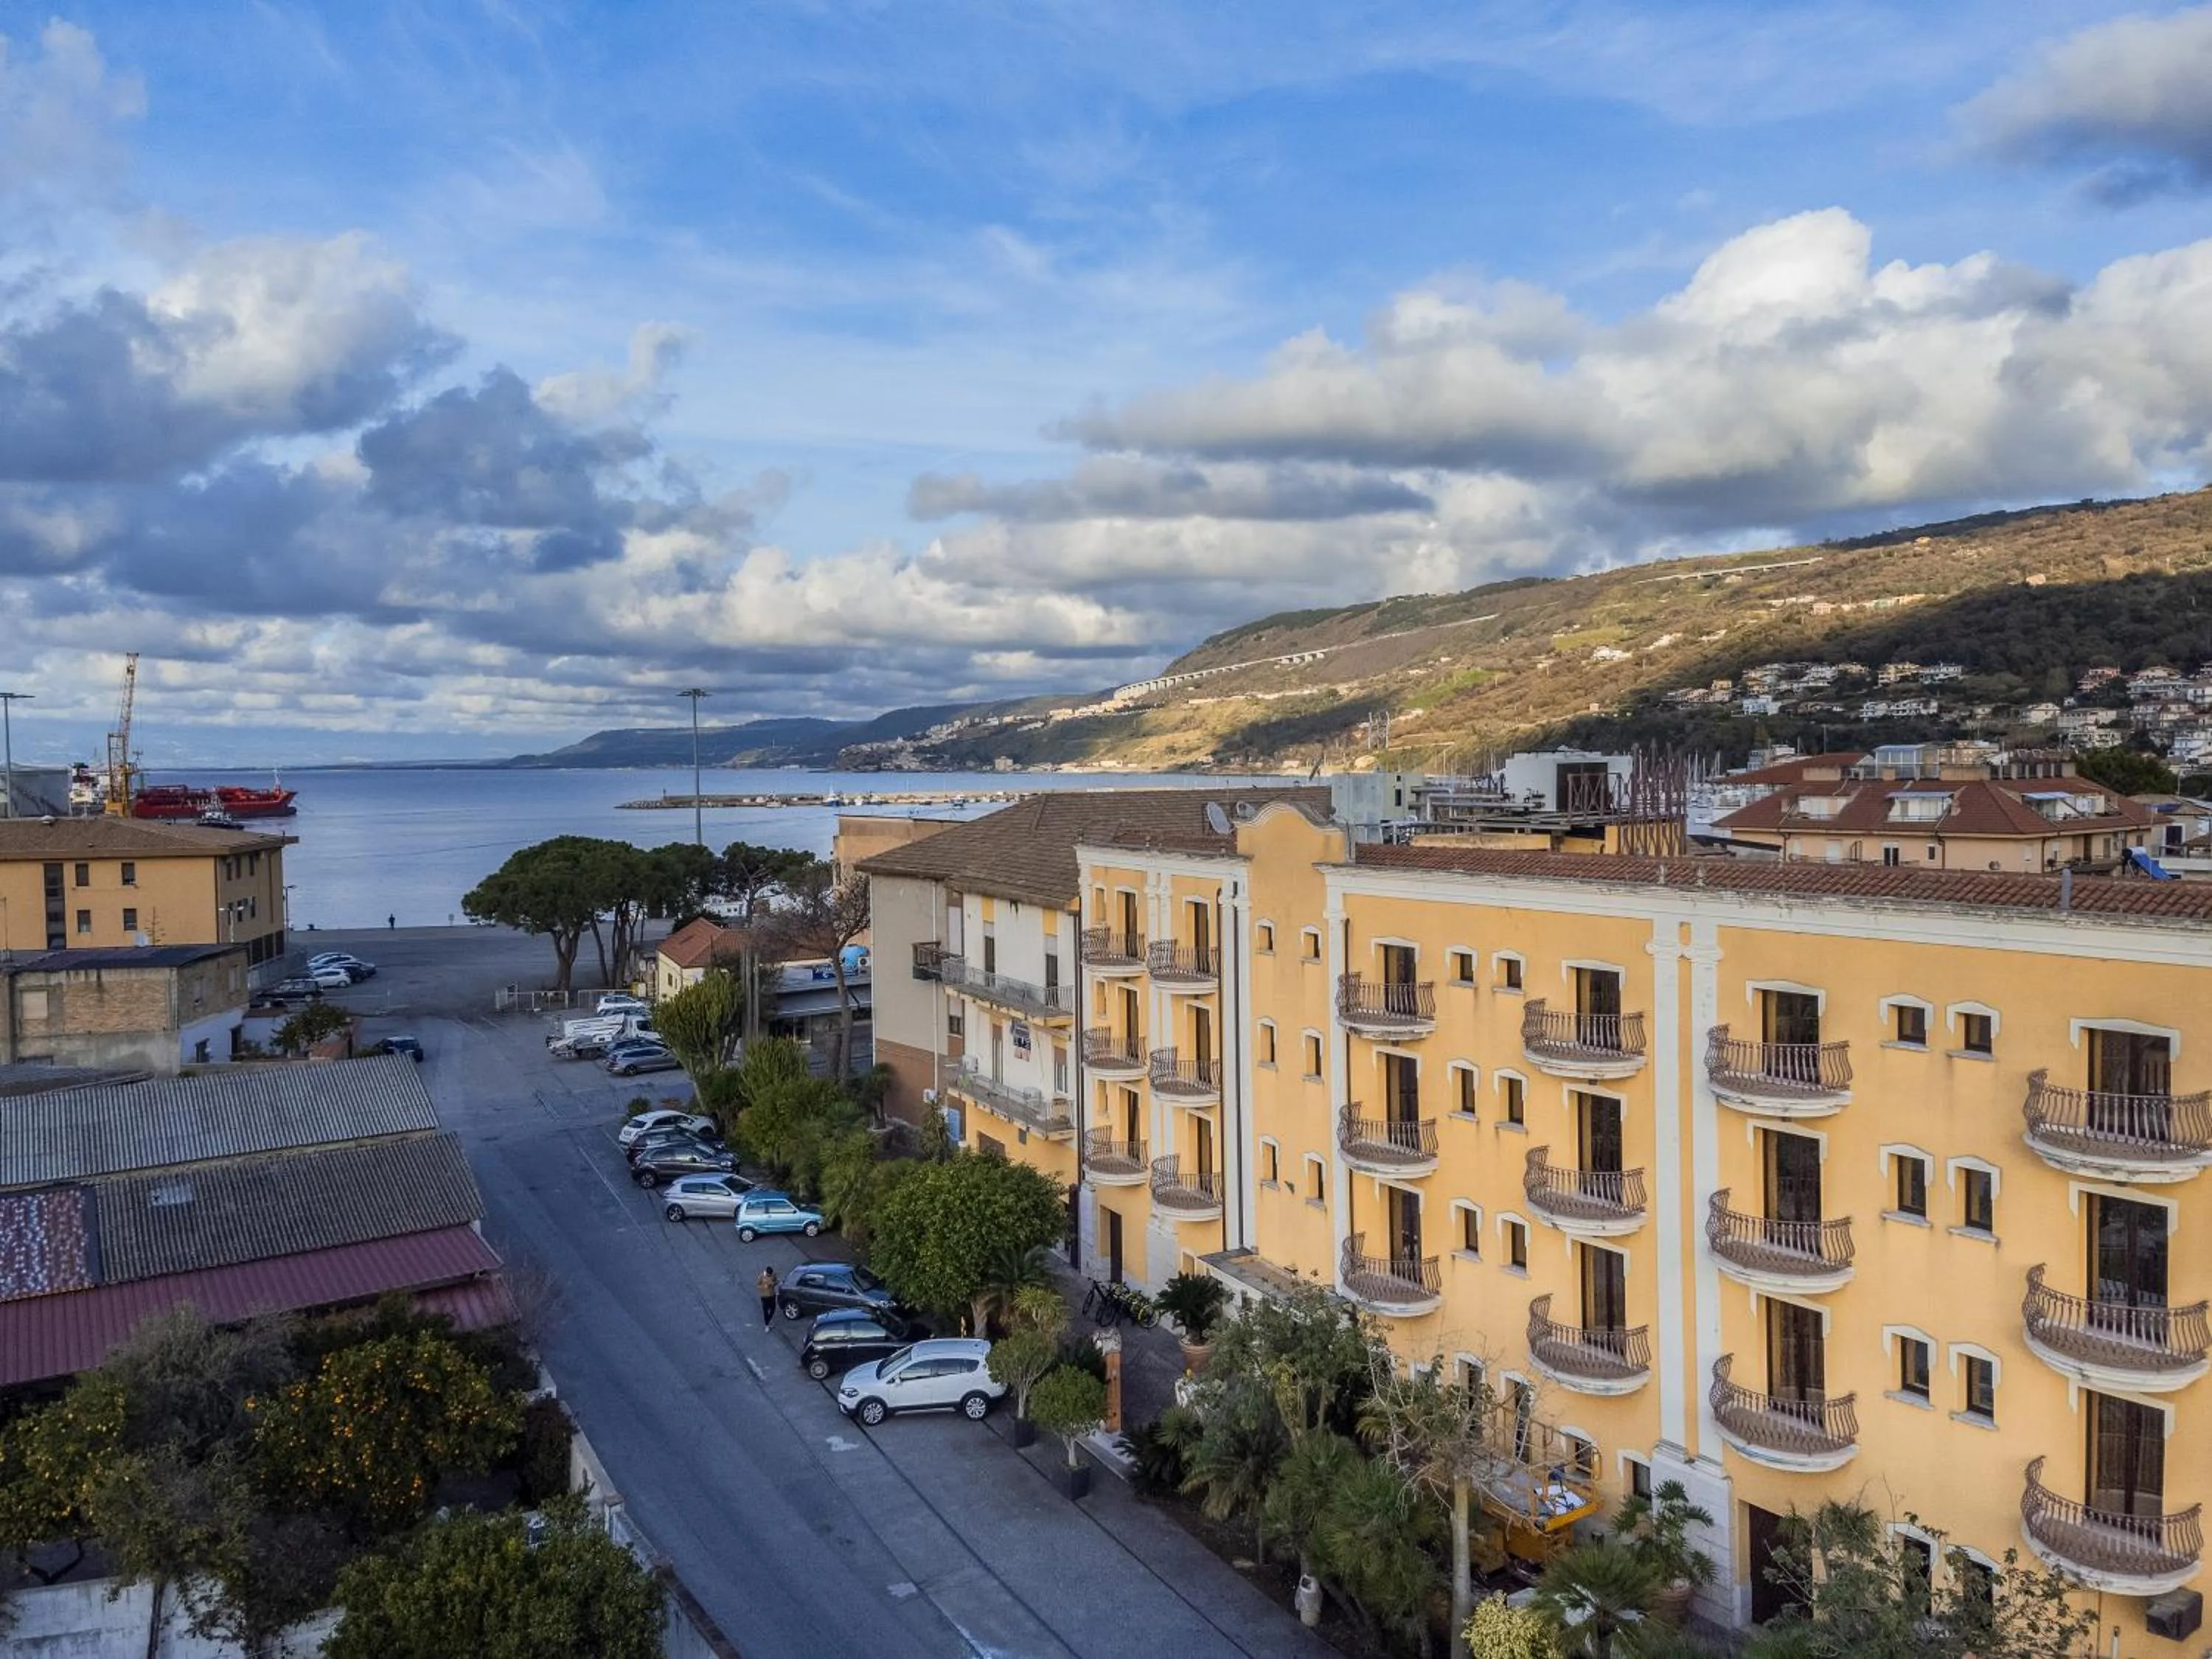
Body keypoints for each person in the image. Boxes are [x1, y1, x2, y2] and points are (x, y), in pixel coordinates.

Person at [756, 1266, 779, 1330]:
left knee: (773, 1309)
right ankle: (767, 1325)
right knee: (765, 1311)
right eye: (769, 1275)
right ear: (767, 1273)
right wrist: (764, 1287)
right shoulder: (761, 1277)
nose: (770, 1276)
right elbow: (757, 1285)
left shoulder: (773, 1275)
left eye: (771, 1275)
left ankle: (768, 1320)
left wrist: (774, 1283)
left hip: (772, 1295)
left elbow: (777, 1281)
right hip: (764, 1296)